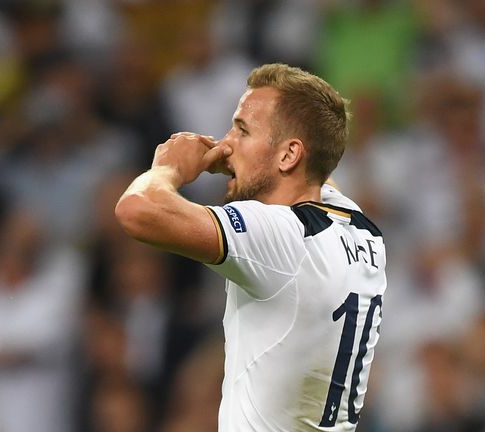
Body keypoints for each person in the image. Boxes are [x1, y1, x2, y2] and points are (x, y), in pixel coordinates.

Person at [115, 63, 387, 431]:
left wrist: (169, 169)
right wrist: (248, 162)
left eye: (242, 130)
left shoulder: (279, 238)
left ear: (289, 155)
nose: (225, 144)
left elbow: (136, 210)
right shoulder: (361, 228)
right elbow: (316, 167)